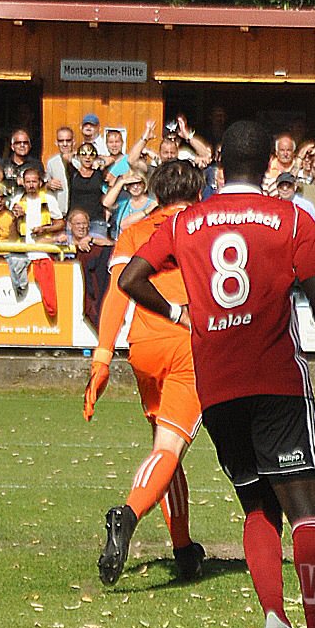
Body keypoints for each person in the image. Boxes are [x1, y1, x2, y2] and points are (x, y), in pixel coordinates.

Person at [118, 120, 315, 628]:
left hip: (218, 384)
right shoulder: (291, 217)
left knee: (256, 505)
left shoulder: (185, 222)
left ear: (219, 165)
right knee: (307, 510)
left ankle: (274, 616)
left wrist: (179, 314)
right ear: (269, 164)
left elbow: (130, 278)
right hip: (276, 380)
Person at [84, 161, 208, 585]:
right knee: (169, 449)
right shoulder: (205, 228)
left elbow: (117, 297)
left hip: (144, 347)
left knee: (163, 450)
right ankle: (128, 513)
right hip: (189, 343)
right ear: (198, 193)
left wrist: (102, 359)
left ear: (156, 193)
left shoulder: (136, 230)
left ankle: (184, 550)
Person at [8, 166, 65, 316]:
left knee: (48, 292)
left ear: (40, 182)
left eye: (34, 181)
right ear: (23, 183)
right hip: (22, 251)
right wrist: (16, 218)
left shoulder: (49, 199)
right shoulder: (17, 200)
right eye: (28, 182)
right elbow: (11, 233)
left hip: (42, 251)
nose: (31, 185)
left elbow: (60, 223)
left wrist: (44, 229)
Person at [64, 207, 115, 330]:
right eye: (78, 224)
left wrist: (90, 240)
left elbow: (112, 244)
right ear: (70, 225)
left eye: (84, 223)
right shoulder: (64, 238)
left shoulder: (95, 237)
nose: (81, 227)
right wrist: (77, 245)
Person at [43, 126, 76, 216]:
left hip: (78, 211)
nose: (65, 144)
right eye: (61, 141)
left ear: (73, 142)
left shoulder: (81, 160)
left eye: (68, 141)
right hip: (60, 211)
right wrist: (49, 185)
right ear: (56, 143)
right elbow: (45, 186)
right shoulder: (51, 162)